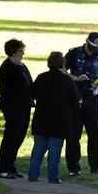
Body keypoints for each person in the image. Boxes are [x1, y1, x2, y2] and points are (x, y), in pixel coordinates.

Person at [28, 52, 79, 184]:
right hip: (59, 121)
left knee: (38, 149)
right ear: (62, 64)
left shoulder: (41, 77)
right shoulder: (66, 80)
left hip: (41, 119)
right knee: (54, 152)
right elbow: (75, 100)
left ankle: (33, 175)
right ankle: (53, 177)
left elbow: (32, 93)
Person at [64, 32, 98, 176]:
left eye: (95, 48)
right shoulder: (73, 53)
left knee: (96, 134)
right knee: (73, 134)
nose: (92, 51)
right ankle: (73, 168)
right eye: (91, 47)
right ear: (86, 42)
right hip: (75, 98)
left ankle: (97, 167)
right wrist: (75, 78)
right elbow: (61, 69)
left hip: (93, 99)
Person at [0, 38, 33, 179]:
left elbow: (29, 83)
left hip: (24, 106)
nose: (23, 54)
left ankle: (10, 165)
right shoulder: (7, 68)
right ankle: (2, 168)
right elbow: (10, 91)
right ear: (12, 52)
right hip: (13, 108)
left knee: (19, 137)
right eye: (20, 51)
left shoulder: (21, 66)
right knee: (11, 137)